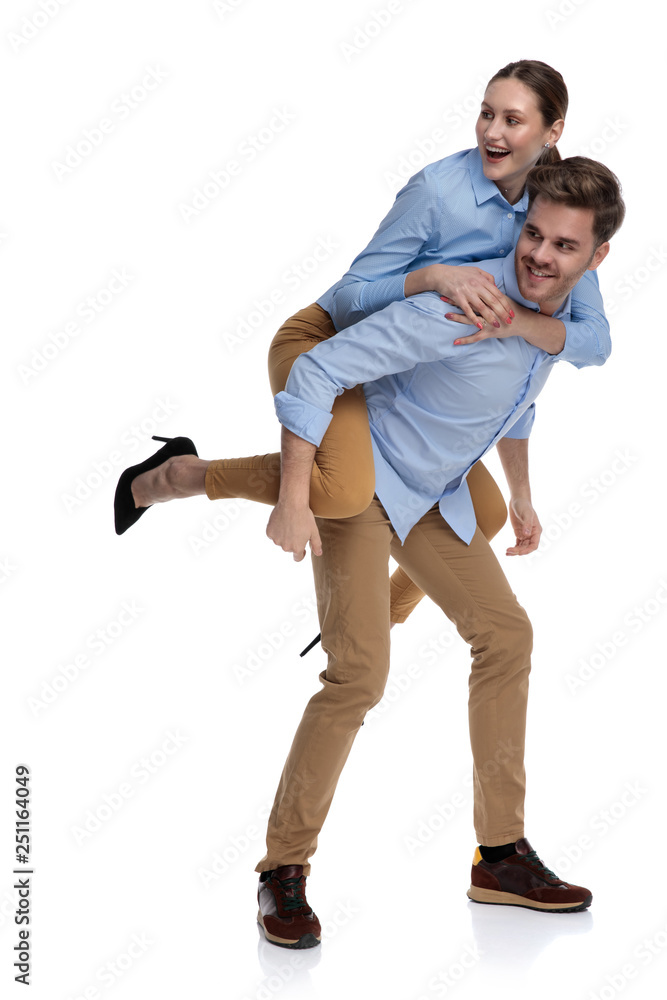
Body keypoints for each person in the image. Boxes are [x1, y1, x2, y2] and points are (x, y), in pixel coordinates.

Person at [115, 156, 625, 948]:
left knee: (506, 634)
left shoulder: (560, 321)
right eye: (531, 234)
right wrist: (290, 499)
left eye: (563, 246)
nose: (537, 256)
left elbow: (540, 381)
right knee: (359, 676)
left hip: (432, 495)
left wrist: (521, 491)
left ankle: (499, 855)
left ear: (594, 261)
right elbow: (315, 372)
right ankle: (282, 870)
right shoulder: (459, 308)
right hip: (363, 487)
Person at [116, 60, 610, 635]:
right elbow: (351, 297)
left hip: (399, 365)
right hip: (325, 338)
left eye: (512, 120)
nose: (491, 133)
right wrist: (433, 278)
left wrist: (519, 333)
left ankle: (378, 612)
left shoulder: (556, 213)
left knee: (486, 512)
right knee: (344, 487)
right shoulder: (438, 191)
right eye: (485, 113)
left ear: (553, 132)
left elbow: (577, 346)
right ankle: (178, 475)